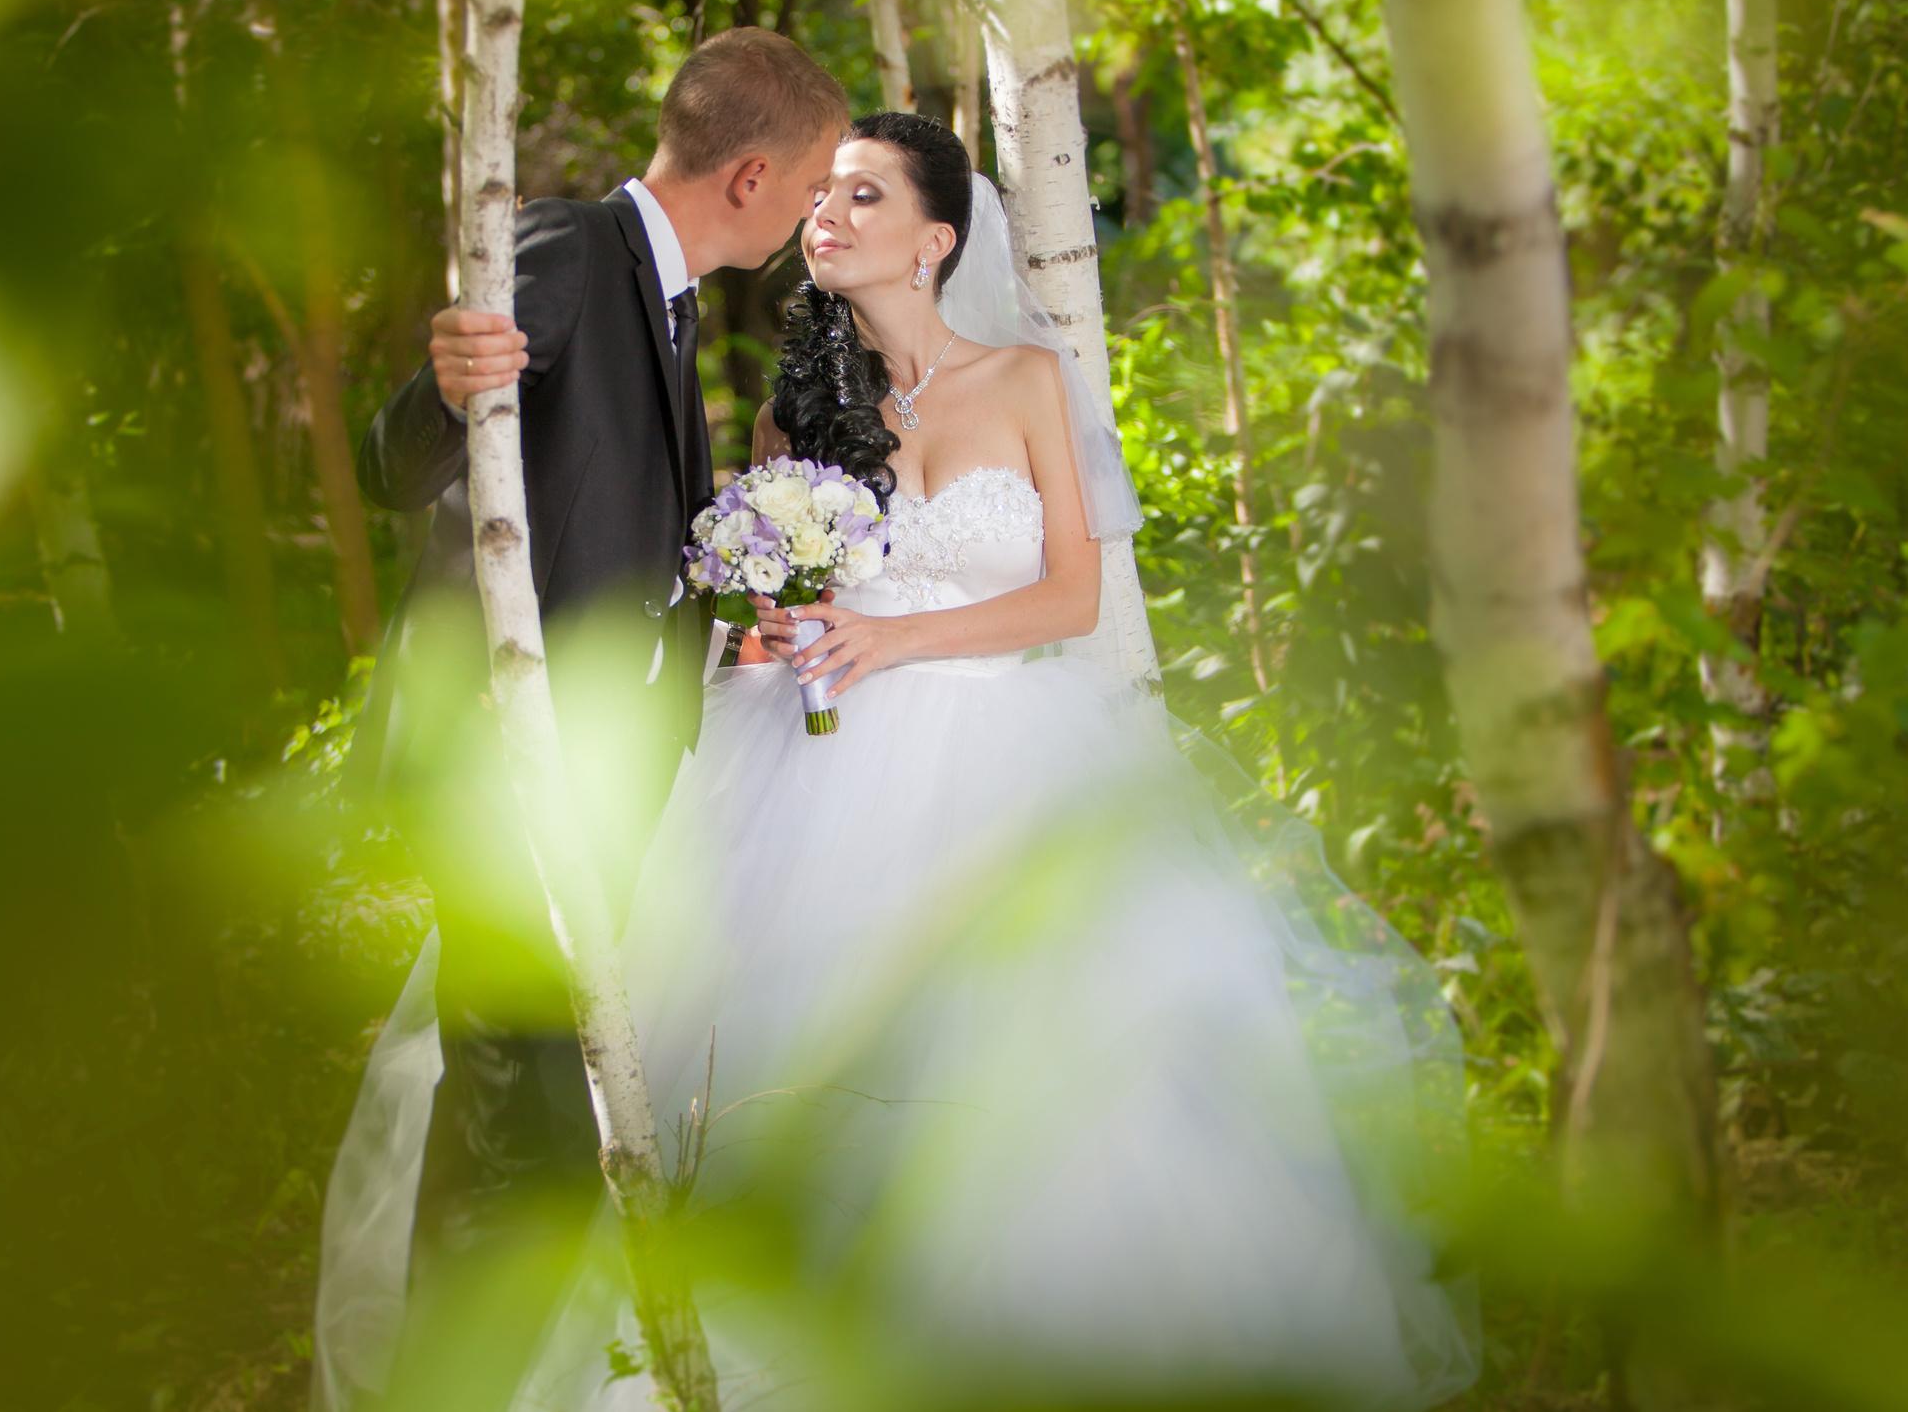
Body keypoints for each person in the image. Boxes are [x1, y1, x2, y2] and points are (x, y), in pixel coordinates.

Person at [508, 113, 1481, 1409]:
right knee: (813, 1080)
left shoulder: (1025, 381)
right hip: (820, 782)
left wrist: (897, 633)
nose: (828, 217)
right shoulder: (795, 417)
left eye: (864, 197)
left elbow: (1071, 598)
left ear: (938, 237)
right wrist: (770, 635)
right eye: (823, 199)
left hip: (1008, 765)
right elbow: (767, 624)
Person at [315, 29, 848, 1404]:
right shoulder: (563, 247)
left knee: (525, 1109)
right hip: (507, 775)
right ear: (748, 176)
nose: (803, 226)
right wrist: (443, 383)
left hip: (589, 780)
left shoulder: (660, 297)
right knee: (526, 1127)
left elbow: (605, 536)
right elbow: (404, 459)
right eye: (801, 194)